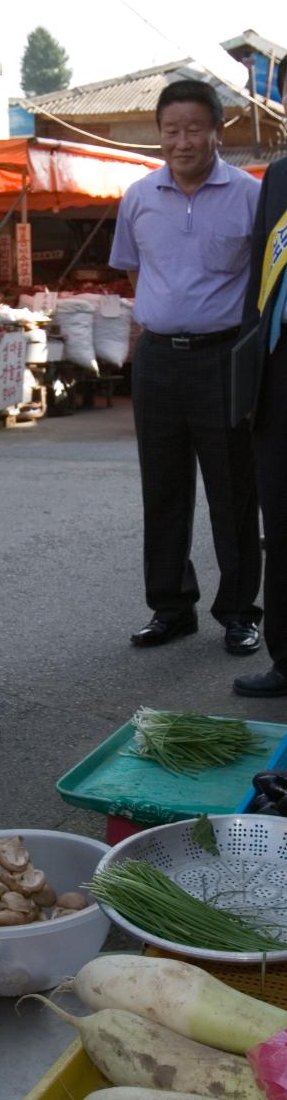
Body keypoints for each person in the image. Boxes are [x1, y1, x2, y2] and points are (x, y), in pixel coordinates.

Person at [109, 79, 262, 654]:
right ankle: (171, 606)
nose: (181, 141)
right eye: (170, 131)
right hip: (157, 362)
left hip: (225, 358)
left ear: (217, 132)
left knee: (233, 489)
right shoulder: (139, 197)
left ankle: (240, 611)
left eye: (193, 129)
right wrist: (168, 317)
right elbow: (132, 272)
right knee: (164, 488)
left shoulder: (250, 195)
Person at [233, 63, 287, 697]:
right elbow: (259, 285)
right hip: (278, 377)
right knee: (282, 523)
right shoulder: (278, 177)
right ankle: (286, 658)